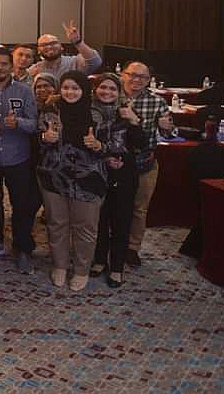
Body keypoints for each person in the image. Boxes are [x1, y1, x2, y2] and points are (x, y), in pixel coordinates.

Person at [37, 71, 108, 291]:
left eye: (75, 88)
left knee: (85, 226)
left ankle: (81, 269)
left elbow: (113, 145)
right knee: (57, 223)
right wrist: (44, 138)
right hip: (53, 175)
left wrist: (98, 145)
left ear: (84, 90)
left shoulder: (98, 112)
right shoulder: (51, 109)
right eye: (66, 87)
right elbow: (37, 139)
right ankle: (59, 265)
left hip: (89, 178)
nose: (70, 92)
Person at [0, 48, 39, 273]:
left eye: (4, 64)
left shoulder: (24, 91)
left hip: (18, 157)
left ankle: (22, 247)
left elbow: (34, 124)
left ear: (11, 66)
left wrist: (19, 123)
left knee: (21, 204)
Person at [89, 73, 148, 288]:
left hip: (124, 173)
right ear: (95, 90)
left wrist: (133, 120)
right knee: (99, 219)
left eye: (112, 88)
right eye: (103, 87)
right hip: (97, 170)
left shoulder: (126, 112)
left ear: (119, 92)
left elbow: (141, 144)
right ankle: (99, 259)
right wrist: (105, 157)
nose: (107, 92)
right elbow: (82, 143)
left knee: (121, 221)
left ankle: (117, 267)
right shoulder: (88, 112)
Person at [120, 61, 177, 268]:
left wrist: (165, 127)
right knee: (110, 206)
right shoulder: (110, 94)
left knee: (139, 209)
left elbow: (170, 133)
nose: (136, 80)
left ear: (148, 80)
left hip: (143, 163)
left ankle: (132, 248)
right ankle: (108, 244)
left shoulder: (157, 102)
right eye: (132, 75)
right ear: (123, 75)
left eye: (142, 77)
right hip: (114, 162)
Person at [27, 21, 103, 78]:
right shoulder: (35, 70)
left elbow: (95, 62)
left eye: (53, 43)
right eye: (44, 45)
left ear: (61, 47)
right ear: (38, 50)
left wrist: (78, 42)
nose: (49, 47)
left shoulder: (75, 62)